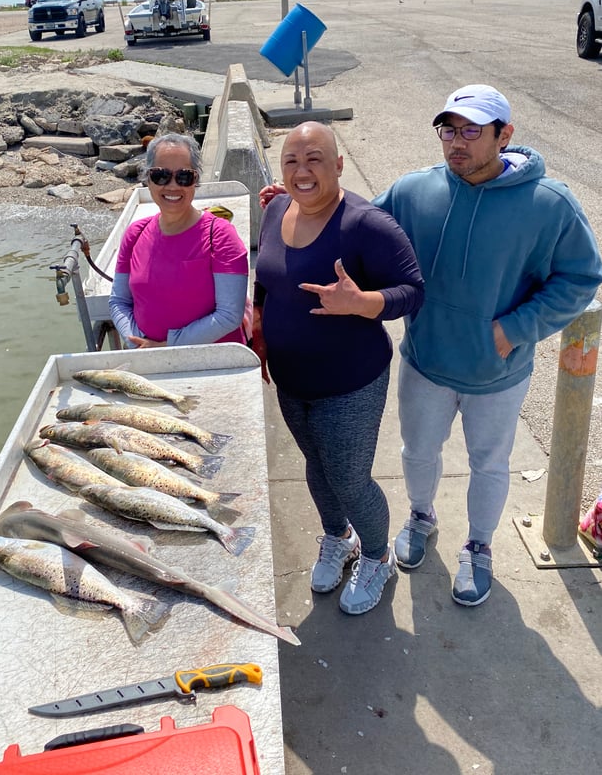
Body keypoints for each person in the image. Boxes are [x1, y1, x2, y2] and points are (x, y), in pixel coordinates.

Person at [372, 83, 602, 606]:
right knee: (417, 451)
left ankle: (478, 546)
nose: (457, 143)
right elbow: (359, 228)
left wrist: (512, 331)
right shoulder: (414, 191)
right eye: (448, 130)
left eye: (472, 131)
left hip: (498, 373)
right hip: (425, 361)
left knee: (489, 465)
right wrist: (301, 202)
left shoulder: (550, 205)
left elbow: (581, 277)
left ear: (505, 135)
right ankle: (421, 516)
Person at [252, 121, 424, 615]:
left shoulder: (367, 224)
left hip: (350, 381)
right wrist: (260, 326)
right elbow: (266, 275)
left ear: (338, 165)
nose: (302, 172)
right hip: (292, 378)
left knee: (350, 477)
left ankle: (375, 555)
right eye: (292, 161)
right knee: (317, 467)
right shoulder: (276, 208)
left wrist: (362, 302)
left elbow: (412, 290)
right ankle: (337, 536)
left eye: (314, 160)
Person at [109, 133, 249, 348]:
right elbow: (119, 301)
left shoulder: (220, 236)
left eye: (184, 176)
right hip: (148, 359)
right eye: (161, 176)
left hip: (215, 364)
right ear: (148, 179)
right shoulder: (135, 234)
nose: (173, 186)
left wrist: (166, 346)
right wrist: (136, 342)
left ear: (196, 181)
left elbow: (229, 315)